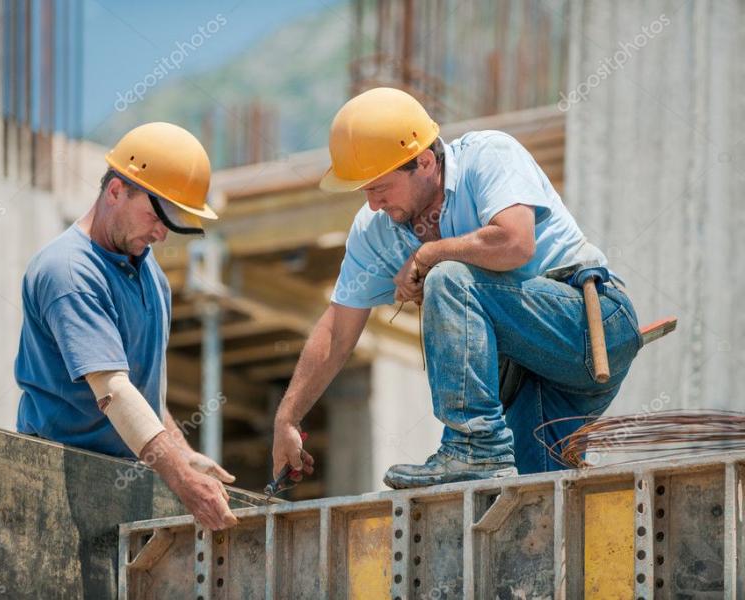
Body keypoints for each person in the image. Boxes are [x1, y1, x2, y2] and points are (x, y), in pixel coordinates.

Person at [271, 87, 641, 489]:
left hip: (590, 326)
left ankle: (472, 449)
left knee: (448, 277)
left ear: (425, 162)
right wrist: (287, 417)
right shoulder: (375, 230)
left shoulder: (488, 157)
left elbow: (516, 242)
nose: (373, 203)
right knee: (535, 503)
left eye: (380, 188)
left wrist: (430, 253)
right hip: (532, 378)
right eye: (365, 191)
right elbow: (336, 330)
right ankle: (486, 457)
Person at [15, 122, 238, 529]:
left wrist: (181, 452)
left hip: (118, 484)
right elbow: (114, 391)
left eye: (171, 222)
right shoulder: (69, 272)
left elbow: (138, 390)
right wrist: (184, 482)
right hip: (55, 483)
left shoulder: (150, 275)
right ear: (116, 191)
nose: (162, 234)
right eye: (157, 215)